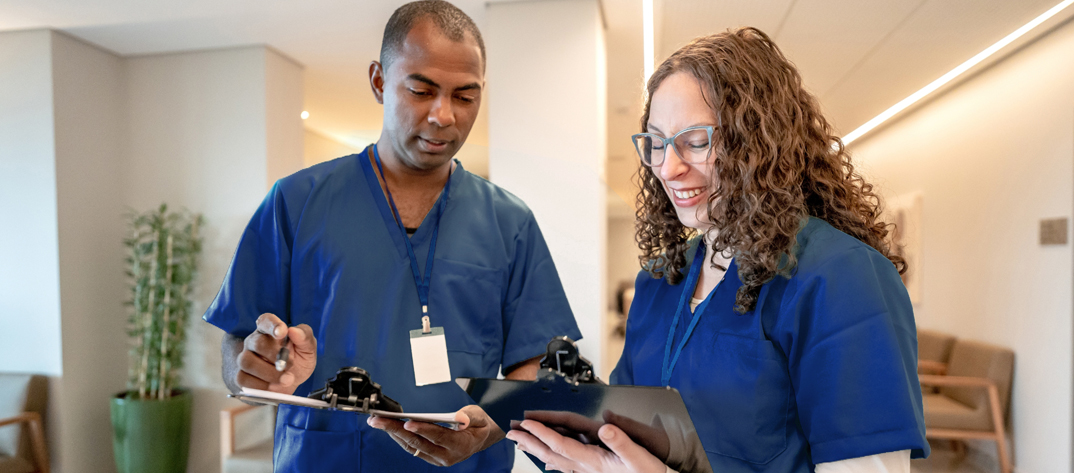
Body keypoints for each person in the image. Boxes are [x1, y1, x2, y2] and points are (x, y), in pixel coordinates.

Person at [505, 27, 929, 472]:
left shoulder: (841, 277)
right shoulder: (659, 280)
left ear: (759, 143)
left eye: (696, 140)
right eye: (657, 142)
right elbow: (626, 440)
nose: (668, 168)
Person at [202, 1, 581, 471]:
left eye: (465, 97)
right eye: (422, 90)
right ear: (379, 82)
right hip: (325, 460)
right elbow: (239, 343)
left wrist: (497, 422)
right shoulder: (295, 203)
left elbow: (535, 364)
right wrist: (257, 373)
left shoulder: (510, 222)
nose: (444, 115)